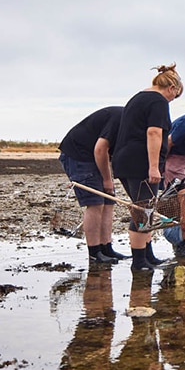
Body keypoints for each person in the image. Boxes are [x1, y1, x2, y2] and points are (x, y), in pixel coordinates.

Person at [116, 64, 184, 271]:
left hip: (125, 160)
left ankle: (148, 256)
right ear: (171, 87)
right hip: (140, 164)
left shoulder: (139, 97)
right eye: (176, 95)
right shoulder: (158, 101)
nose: (173, 100)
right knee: (142, 211)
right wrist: (154, 167)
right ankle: (139, 263)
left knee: (146, 209)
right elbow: (154, 133)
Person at [58, 106, 127, 263]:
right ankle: (95, 253)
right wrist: (107, 179)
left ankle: (106, 248)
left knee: (108, 202)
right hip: (78, 155)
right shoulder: (120, 117)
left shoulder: (131, 125)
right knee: (95, 203)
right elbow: (100, 150)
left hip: (94, 157)